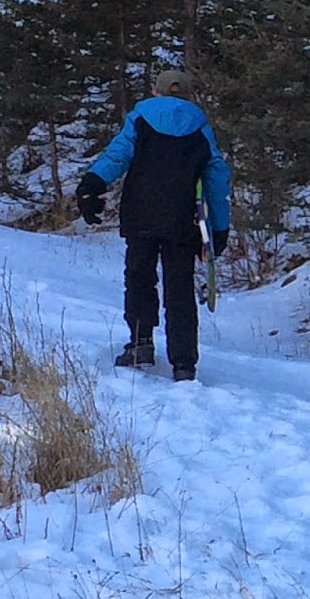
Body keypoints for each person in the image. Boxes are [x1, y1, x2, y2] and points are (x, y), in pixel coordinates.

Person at [75, 68, 232, 382]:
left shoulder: (140, 118)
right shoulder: (201, 128)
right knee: (180, 287)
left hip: (141, 214)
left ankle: (140, 343)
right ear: (187, 94)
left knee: (139, 276)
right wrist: (219, 226)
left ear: (157, 91)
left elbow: (118, 155)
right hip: (183, 219)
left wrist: (92, 184)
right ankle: (184, 364)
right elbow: (216, 177)